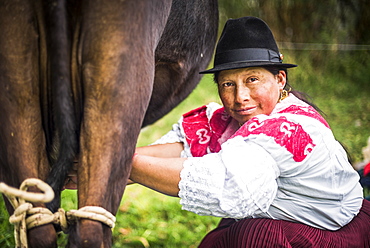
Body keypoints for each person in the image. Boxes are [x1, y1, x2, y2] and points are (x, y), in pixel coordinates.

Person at [130, 16, 370, 247]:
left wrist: (124, 165)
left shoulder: (287, 129)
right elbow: (184, 147)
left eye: (252, 79)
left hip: (332, 233)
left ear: (280, 79)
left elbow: (228, 184)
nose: (240, 97)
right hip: (294, 220)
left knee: (252, 234)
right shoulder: (236, 119)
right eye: (228, 84)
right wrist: (109, 159)